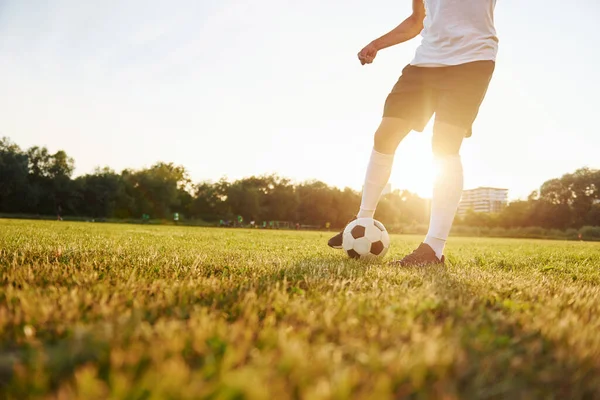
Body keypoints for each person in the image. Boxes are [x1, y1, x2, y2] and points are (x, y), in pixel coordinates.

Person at [328, 0, 498, 266]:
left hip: (472, 60)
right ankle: (362, 219)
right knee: (385, 135)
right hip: (426, 63)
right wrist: (376, 44)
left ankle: (433, 248)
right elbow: (417, 20)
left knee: (444, 146)